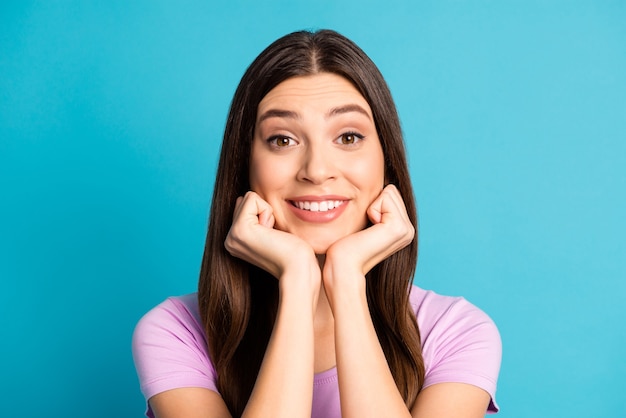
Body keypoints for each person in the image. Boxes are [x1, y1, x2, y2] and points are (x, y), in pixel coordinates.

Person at [132, 29, 501, 418]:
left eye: (348, 136)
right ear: (244, 165)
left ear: (386, 159)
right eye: (282, 140)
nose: (317, 170)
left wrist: (346, 282)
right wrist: (297, 282)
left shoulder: (456, 333)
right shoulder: (175, 333)